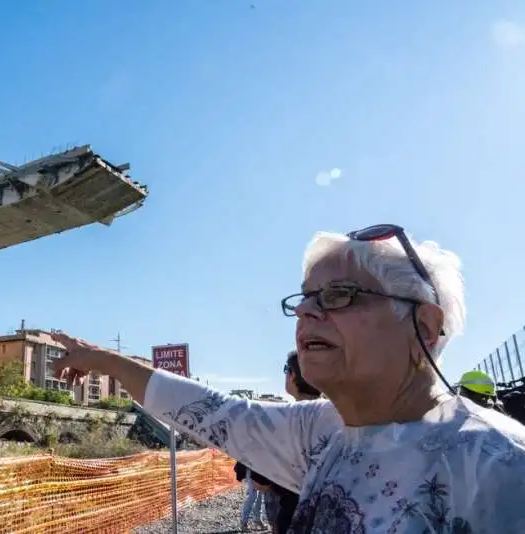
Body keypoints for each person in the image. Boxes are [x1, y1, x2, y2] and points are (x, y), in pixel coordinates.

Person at [50, 224, 525, 533]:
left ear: (422, 325)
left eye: (338, 295)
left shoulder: (499, 466)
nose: (305, 313)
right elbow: (214, 412)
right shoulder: (318, 430)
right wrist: (106, 361)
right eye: (303, 299)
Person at [251, 351, 321, 534]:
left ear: (293, 375)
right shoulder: (341, 415)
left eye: (285, 370)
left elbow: (260, 484)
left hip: (292, 519)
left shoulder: (282, 421)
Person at [234, 461, 269, 530]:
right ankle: (244, 522)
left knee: (260, 496)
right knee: (253, 496)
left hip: (261, 468)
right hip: (252, 467)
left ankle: (257, 520)